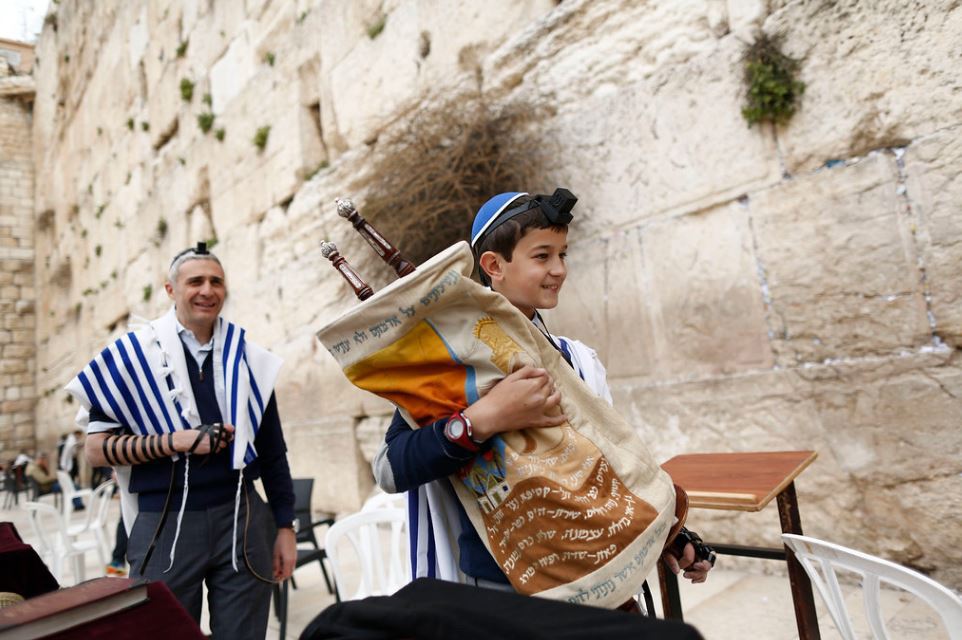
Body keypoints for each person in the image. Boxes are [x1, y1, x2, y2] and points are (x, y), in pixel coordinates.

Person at [373, 190, 713, 605]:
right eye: (542, 256)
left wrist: (672, 538)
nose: (559, 269)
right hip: (507, 595)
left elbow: (615, 468)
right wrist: (484, 418)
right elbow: (390, 470)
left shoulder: (579, 361)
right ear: (494, 265)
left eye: (563, 255)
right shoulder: (450, 371)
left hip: (604, 577)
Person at [65, 242, 296, 639]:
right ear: (171, 290)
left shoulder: (249, 359)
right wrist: (176, 441)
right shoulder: (132, 357)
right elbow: (96, 449)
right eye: (195, 281)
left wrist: (285, 527)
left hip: (242, 517)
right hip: (165, 521)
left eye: (216, 282)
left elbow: (273, 452)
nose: (207, 290)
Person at [58, 429, 86, 510]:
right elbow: (66, 455)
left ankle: (78, 504)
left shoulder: (71, 442)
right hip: (66, 468)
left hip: (67, 467)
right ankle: (78, 505)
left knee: (73, 486)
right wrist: (65, 467)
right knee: (73, 487)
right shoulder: (70, 442)